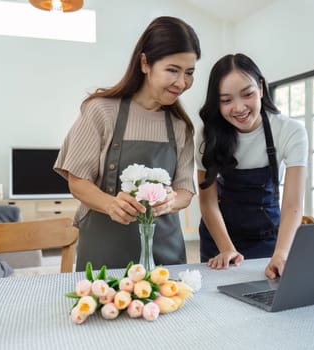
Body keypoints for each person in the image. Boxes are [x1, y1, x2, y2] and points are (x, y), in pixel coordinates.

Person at [54, 16, 201, 271]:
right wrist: (110, 204)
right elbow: (77, 181)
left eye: (189, 73)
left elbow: (185, 191)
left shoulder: (180, 126)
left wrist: (171, 201)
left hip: (164, 252)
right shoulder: (100, 111)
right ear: (145, 63)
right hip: (104, 252)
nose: (182, 82)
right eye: (172, 70)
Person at [196, 53, 308, 279]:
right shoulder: (208, 136)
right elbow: (208, 202)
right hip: (219, 237)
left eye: (247, 94)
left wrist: (282, 253)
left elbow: (293, 205)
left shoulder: (289, 131)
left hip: (267, 238)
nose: (239, 108)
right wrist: (226, 248)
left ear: (261, 87)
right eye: (226, 100)